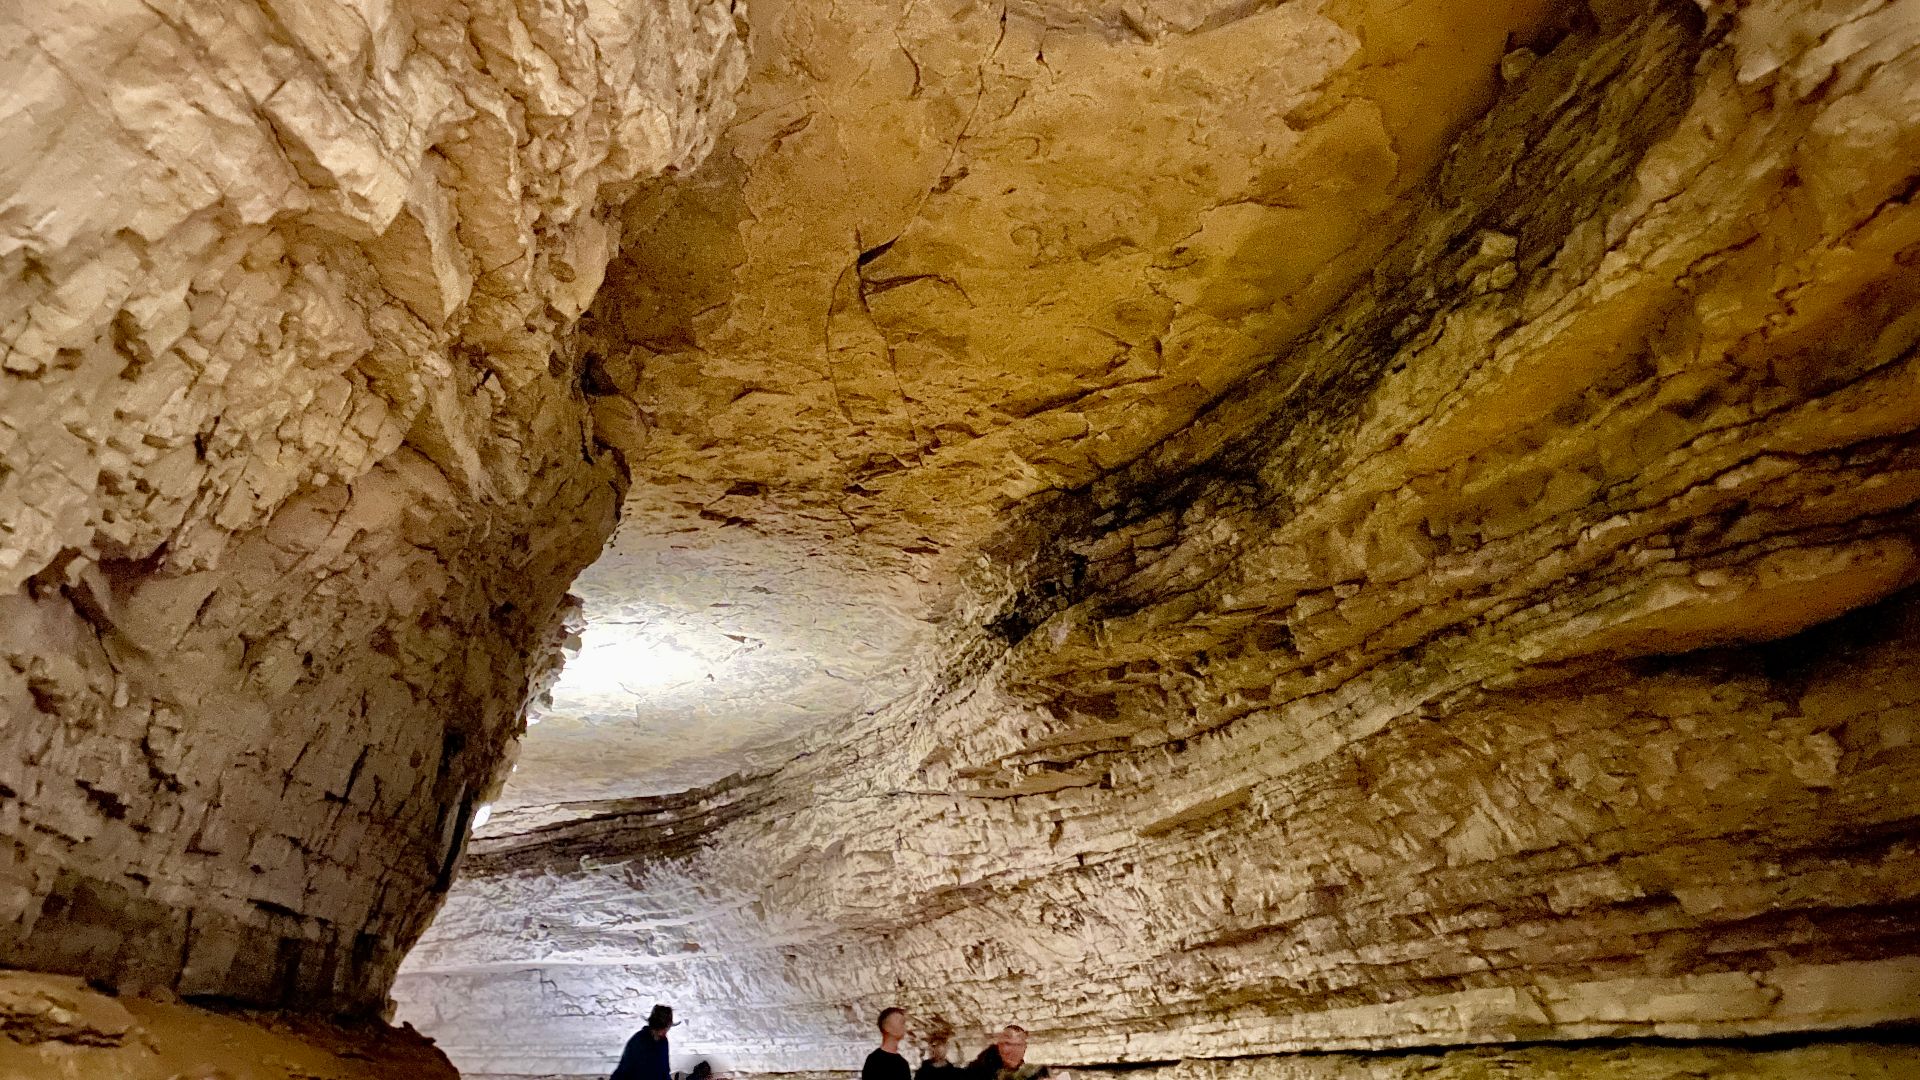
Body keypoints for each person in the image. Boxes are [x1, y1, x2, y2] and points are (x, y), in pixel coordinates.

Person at [611, 1004, 675, 1080]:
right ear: (654, 1025)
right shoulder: (638, 1041)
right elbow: (623, 1070)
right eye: (662, 1028)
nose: (664, 1032)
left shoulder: (663, 1042)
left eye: (666, 1028)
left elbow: (664, 1071)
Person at [966, 1026, 1044, 1080]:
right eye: (1008, 1044)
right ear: (999, 1046)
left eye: (1018, 1045)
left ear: (1024, 1047)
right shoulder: (981, 1068)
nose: (1013, 1050)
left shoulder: (1032, 1072)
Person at [863, 1007, 913, 1080]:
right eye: (901, 1022)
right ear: (887, 1027)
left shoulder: (903, 1063)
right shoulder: (874, 1060)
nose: (905, 1026)